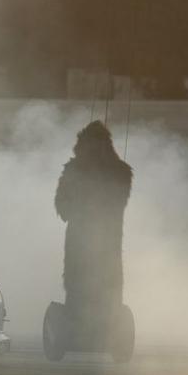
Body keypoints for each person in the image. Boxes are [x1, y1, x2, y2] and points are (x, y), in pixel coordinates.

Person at [54, 120, 133, 332]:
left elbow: (62, 208)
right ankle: (105, 326)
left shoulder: (75, 170)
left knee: (86, 283)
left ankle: (83, 325)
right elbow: (63, 206)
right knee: (101, 284)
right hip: (101, 241)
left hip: (90, 240)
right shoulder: (121, 171)